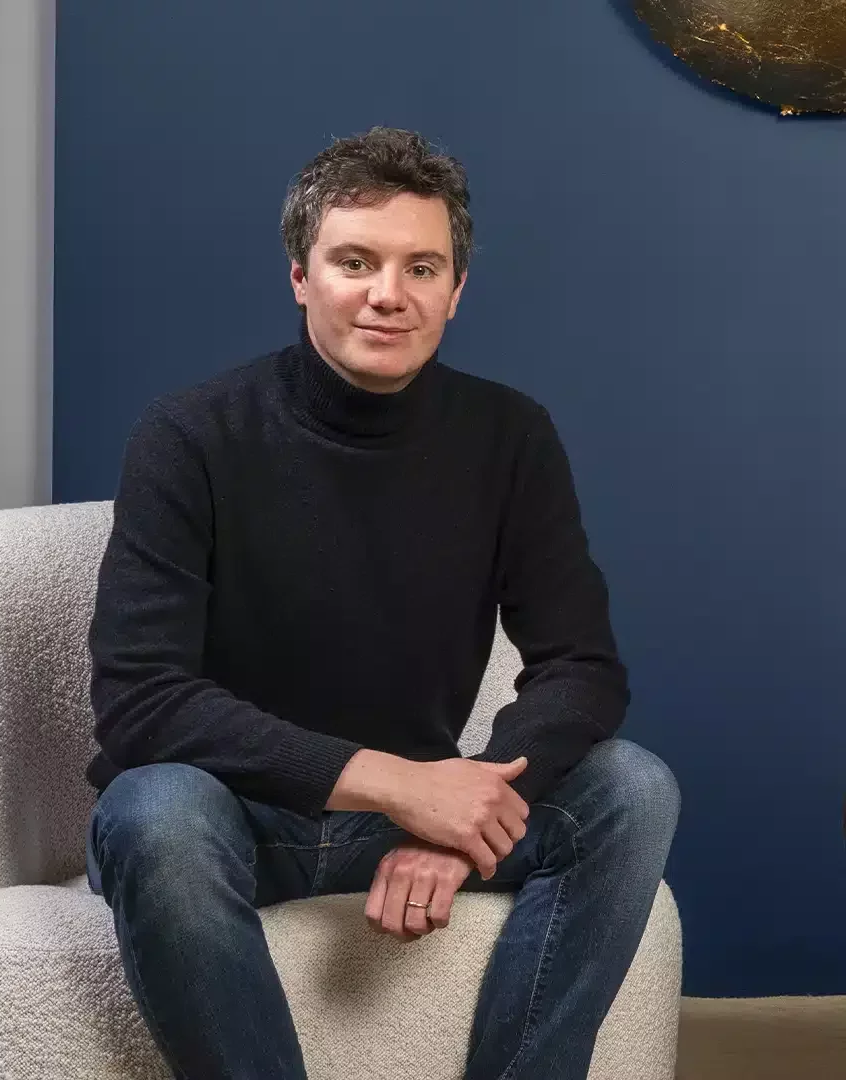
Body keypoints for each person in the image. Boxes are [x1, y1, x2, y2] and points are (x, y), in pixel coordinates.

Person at [84, 126, 680, 1080]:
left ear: (456, 290)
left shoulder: (510, 436)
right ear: (301, 277)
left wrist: (469, 817)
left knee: (633, 788)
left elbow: (581, 666)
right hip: (231, 819)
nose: (388, 294)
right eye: (355, 262)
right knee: (153, 809)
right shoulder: (189, 434)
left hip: (404, 814)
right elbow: (142, 700)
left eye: (421, 267)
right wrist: (404, 787)